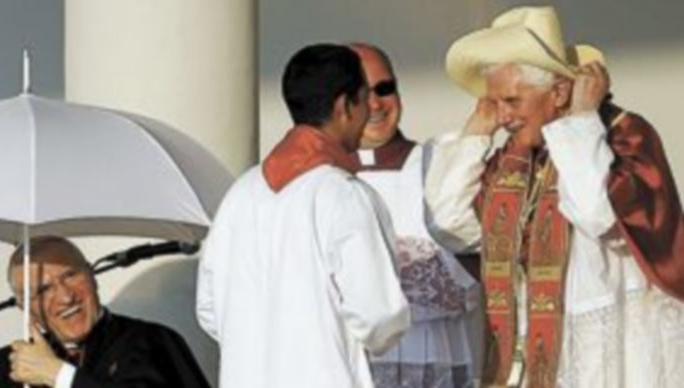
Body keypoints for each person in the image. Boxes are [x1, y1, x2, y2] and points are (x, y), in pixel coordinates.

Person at [425, 6, 684, 387]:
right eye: (493, 102)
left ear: (560, 91)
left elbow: (594, 213)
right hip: (533, 360)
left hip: (613, 356)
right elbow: (449, 224)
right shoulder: (515, 160)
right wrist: (477, 129)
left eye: (511, 101)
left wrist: (581, 121)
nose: (503, 116)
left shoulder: (622, 137)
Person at [196, 43, 409, 388]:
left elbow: (209, 310)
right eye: (363, 98)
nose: (370, 108)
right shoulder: (344, 195)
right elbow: (379, 317)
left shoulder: (239, 195)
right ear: (344, 106)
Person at [348, 43, 482, 388]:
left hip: (438, 354)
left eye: (385, 89)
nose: (376, 104)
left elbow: (481, 264)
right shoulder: (322, 181)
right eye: (362, 93)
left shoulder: (440, 163)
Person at [0, 235, 210, 388]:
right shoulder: (9, 365)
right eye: (44, 289)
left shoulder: (150, 341)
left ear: (92, 276)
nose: (66, 297)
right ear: (24, 307)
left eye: (71, 275)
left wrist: (58, 374)